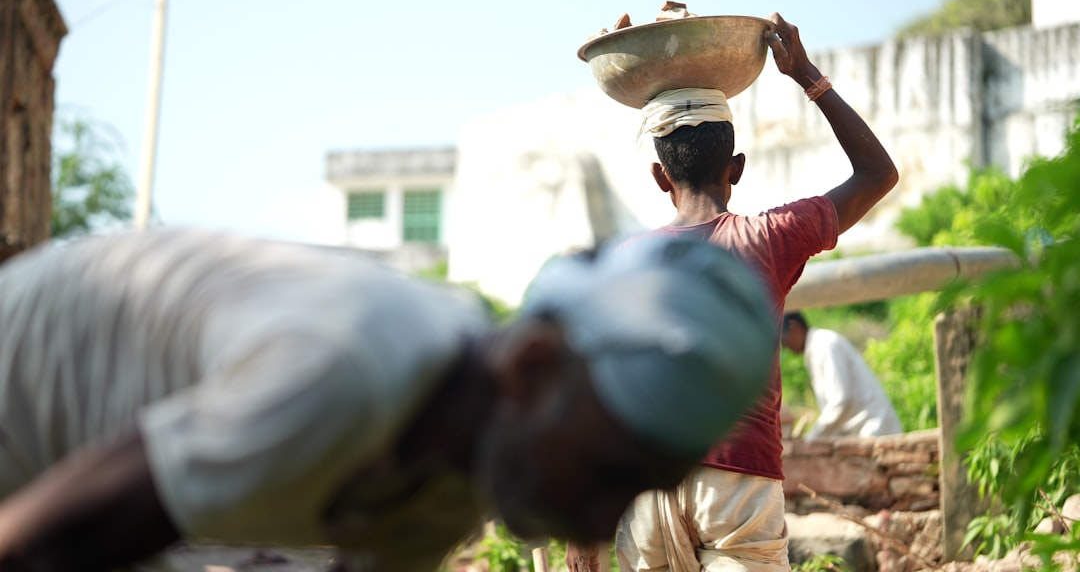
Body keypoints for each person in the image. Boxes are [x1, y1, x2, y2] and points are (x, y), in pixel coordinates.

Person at [0, 226, 779, 572]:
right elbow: (31, 543)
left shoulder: (456, 478)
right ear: (534, 369)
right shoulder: (343, 372)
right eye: (613, 476)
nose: (601, 530)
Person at [567, 12, 899, 572]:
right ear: (737, 168)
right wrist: (807, 76)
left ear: (659, 176)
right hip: (737, 484)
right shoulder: (769, 238)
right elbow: (877, 174)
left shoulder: (623, 263)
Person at [780, 312, 902, 440]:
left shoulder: (825, 345)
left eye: (784, 341)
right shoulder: (814, 351)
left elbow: (841, 400)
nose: (787, 347)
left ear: (794, 327)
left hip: (873, 426)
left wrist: (813, 436)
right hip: (860, 430)